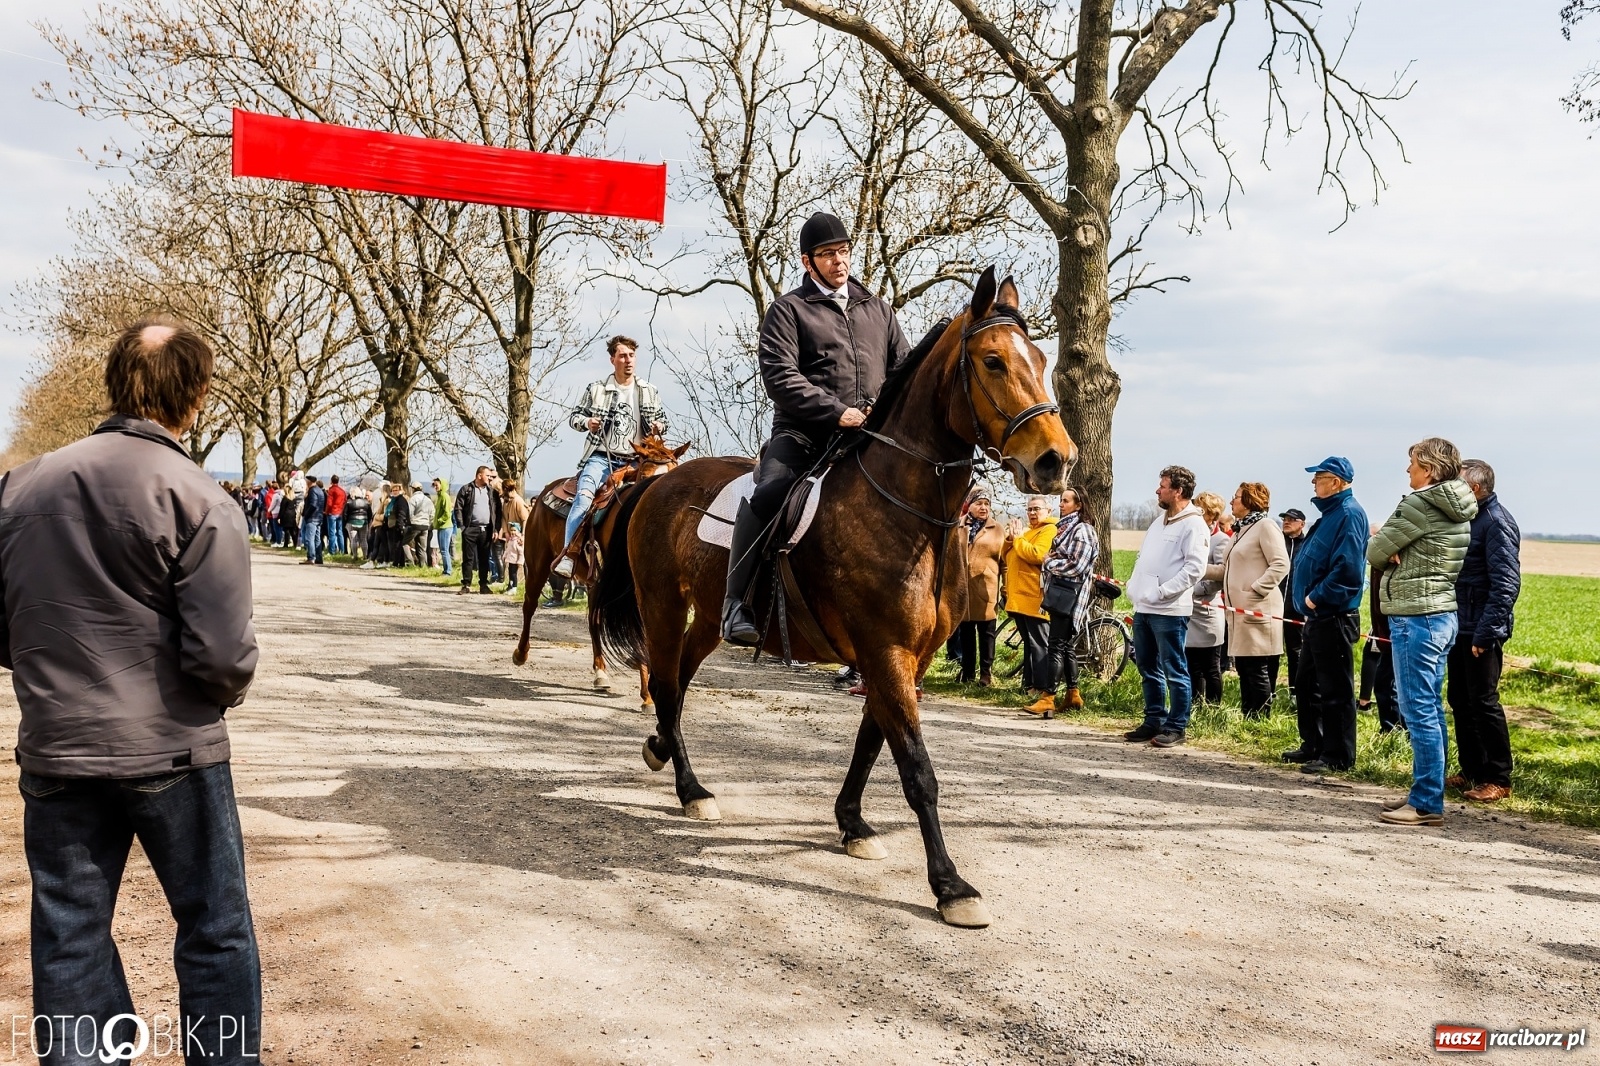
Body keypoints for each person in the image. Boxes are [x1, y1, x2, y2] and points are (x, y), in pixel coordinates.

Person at [0, 318, 261, 1060]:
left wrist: (54, 681)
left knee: (69, 934)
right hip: (173, 750)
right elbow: (222, 657)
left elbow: (4, 624)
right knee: (213, 929)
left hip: (56, 750)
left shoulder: (20, 487)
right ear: (197, 394)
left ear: (115, 381)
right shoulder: (198, 496)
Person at [721, 211, 911, 644]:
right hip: (803, 435)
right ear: (808, 262)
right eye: (827, 254)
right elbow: (780, 377)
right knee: (768, 493)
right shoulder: (788, 310)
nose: (839, 261)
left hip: (865, 437)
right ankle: (736, 605)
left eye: (843, 251)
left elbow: (902, 371)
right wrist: (835, 410)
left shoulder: (878, 309)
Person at [1370, 438, 1477, 826]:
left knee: (1418, 710)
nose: (1407, 470)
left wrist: (1390, 546)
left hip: (1416, 614)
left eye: (1412, 463)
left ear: (1429, 469)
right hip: (1441, 613)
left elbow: (1376, 551)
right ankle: (1424, 791)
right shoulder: (1458, 508)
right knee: (1429, 707)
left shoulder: (1420, 504)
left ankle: (1427, 802)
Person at [1282, 457, 1369, 774]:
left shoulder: (1348, 514)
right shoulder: (1330, 515)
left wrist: (1315, 597)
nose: (1313, 483)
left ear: (1336, 482)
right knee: (1308, 684)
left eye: (1318, 478)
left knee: (1335, 689)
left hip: (1333, 615)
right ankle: (1314, 745)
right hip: (1317, 617)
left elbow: (1348, 571)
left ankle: (1337, 755)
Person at [553, 337, 667, 578]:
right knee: (583, 498)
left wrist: (659, 425)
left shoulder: (649, 390)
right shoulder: (597, 389)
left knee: (663, 497)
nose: (628, 361)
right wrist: (587, 422)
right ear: (612, 359)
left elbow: (663, 420)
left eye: (632, 356)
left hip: (638, 460)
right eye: (623, 356)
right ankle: (570, 554)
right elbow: (574, 417)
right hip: (602, 458)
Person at [1448, 458, 1521, 804]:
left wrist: (1486, 632)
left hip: (1480, 629)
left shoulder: (1495, 523)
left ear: (1475, 489)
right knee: (1460, 700)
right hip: (1460, 625)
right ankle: (1472, 770)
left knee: (1483, 702)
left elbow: (1506, 584)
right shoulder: (1469, 519)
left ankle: (1498, 777)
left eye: (1459, 484)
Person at [1124, 465, 1210, 747]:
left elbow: (1194, 568)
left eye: (1163, 485)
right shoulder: (1158, 522)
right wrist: (1135, 586)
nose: (1157, 490)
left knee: (1174, 669)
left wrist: (1163, 592)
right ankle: (1153, 720)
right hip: (1144, 608)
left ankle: (1176, 726)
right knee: (1148, 667)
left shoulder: (1194, 524)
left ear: (1178, 491)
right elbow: (1144, 558)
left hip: (1169, 611)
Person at [1205, 482, 1290, 719]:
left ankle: (1260, 718)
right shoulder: (1241, 530)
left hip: (1257, 608)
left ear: (1249, 501)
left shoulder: (1265, 526)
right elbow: (1226, 569)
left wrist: (1256, 590)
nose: (1231, 501)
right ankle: (1248, 714)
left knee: (1257, 667)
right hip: (1239, 611)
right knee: (1244, 667)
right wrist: (1199, 569)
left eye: (1236, 497)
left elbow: (1281, 564)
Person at [1034, 488, 1100, 716]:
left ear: (1078, 505)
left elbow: (1076, 566)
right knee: (1067, 646)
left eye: (1065, 501)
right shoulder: (1068, 528)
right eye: (1060, 501)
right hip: (1063, 593)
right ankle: (1073, 694)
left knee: (1055, 646)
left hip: (1069, 595)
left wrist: (1048, 563)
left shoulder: (1081, 531)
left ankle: (1048, 697)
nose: (1061, 505)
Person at [1004, 496, 1059, 707]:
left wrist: (1018, 540)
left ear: (1048, 510)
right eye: (1029, 510)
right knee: (1029, 643)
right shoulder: (1027, 531)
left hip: (1034, 596)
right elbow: (1006, 555)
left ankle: (1042, 687)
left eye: (1036, 509)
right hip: (1018, 597)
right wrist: (1010, 539)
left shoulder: (1049, 530)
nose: (1032, 513)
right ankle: (1028, 685)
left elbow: (1037, 554)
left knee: (1039, 644)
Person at [956, 488, 1006, 686]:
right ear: (970, 505)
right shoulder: (958, 526)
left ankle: (986, 674)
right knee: (966, 633)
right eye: (979, 503)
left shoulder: (998, 529)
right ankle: (967, 672)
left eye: (987, 504)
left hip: (986, 587)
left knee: (987, 634)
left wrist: (1006, 590)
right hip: (962, 589)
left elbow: (1005, 563)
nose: (983, 507)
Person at [1184, 491, 1230, 707]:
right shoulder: (1193, 535)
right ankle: (1195, 703)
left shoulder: (1220, 540)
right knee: (1192, 664)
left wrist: (1195, 588)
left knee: (1211, 665)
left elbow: (1221, 576)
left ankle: (1213, 707)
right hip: (1190, 612)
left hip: (1208, 612)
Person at [1358, 564, 1402, 732]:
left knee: (1389, 683)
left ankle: (1394, 730)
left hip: (1398, 624)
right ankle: (1392, 730)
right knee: (1385, 681)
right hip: (1384, 625)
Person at [453, 465, 503, 593]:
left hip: (486, 530)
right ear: (479, 475)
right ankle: (466, 584)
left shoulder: (492, 492)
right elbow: (458, 508)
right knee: (468, 559)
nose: (490, 478)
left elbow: (498, 513)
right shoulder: (466, 489)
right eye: (488, 476)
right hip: (470, 529)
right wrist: (462, 527)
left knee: (484, 558)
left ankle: (483, 585)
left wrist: (496, 529)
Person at [1277, 508, 1308, 700]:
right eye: (1285, 519)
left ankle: (1295, 692)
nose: (1287, 522)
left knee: (1295, 650)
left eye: (1292, 519)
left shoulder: (1307, 545)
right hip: (1273, 605)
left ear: (1302, 524)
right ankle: (1268, 692)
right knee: (1270, 650)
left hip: (1295, 607)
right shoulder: (1277, 543)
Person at [432, 477, 454, 577]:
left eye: (437, 485)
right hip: (440, 527)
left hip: (445, 526)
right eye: (434, 485)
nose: (435, 487)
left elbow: (447, 513)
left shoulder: (445, 496)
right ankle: (445, 570)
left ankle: (448, 571)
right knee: (442, 550)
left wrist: (440, 520)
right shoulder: (439, 496)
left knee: (445, 550)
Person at [408, 482, 434, 567]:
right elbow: (432, 513)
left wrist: (410, 521)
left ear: (413, 489)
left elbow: (410, 512)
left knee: (406, 542)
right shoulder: (427, 500)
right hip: (425, 525)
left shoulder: (413, 499)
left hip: (415, 524)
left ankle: (410, 562)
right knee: (423, 548)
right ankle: (423, 566)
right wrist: (429, 522)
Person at [346, 484, 372, 561]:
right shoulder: (366, 502)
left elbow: (345, 514)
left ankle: (355, 556)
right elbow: (369, 514)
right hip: (363, 522)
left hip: (352, 522)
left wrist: (345, 522)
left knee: (353, 540)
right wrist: (367, 521)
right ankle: (365, 555)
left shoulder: (349, 502)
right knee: (364, 539)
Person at [325, 474, 347, 555]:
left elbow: (329, 503)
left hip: (332, 512)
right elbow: (345, 501)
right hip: (340, 513)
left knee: (332, 533)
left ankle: (332, 551)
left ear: (331, 481)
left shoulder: (331, 490)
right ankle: (342, 550)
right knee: (340, 532)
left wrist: (326, 512)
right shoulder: (342, 491)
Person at [504, 521, 524, 594]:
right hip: (510, 560)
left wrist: (520, 562)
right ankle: (511, 586)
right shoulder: (510, 540)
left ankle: (514, 587)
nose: (513, 532)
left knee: (514, 574)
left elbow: (521, 553)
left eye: (514, 530)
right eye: (511, 530)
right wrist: (504, 556)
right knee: (510, 573)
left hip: (515, 561)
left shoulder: (518, 541)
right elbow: (507, 549)